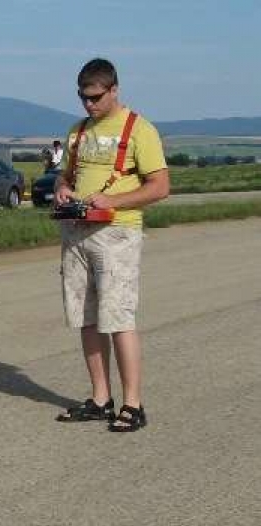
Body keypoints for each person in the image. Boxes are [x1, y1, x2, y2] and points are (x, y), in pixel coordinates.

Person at [54, 58, 169, 432]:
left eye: (96, 97)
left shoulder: (140, 129)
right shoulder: (78, 131)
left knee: (118, 317)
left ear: (114, 89)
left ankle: (133, 404)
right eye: (83, 98)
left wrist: (114, 202)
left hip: (117, 233)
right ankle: (100, 399)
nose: (89, 105)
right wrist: (63, 191)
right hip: (75, 233)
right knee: (86, 318)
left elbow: (160, 186)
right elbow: (64, 176)